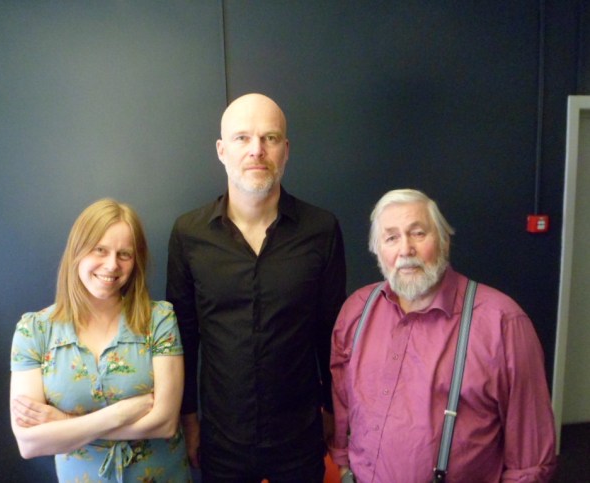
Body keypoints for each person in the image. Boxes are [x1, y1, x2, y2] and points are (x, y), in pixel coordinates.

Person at [166, 93, 347, 482]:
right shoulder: (188, 234)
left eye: (270, 138)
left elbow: (332, 333)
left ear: (286, 150)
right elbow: (183, 338)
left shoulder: (322, 230)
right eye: (242, 138)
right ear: (221, 150)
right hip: (220, 439)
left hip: (301, 436)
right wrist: (189, 418)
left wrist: (334, 410)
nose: (256, 150)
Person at [329, 188, 557, 482]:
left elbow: (530, 456)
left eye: (418, 233)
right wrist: (344, 466)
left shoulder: (503, 322)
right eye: (391, 238)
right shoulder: (356, 310)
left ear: (444, 241)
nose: (405, 250)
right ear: (377, 251)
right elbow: (342, 401)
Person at [10, 198, 190, 483]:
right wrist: (119, 414)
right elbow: (30, 443)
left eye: (124, 254)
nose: (111, 265)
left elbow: (165, 423)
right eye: (100, 250)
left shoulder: (159, 319)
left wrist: (64, 424)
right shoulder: (34, 331)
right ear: (77, 252)